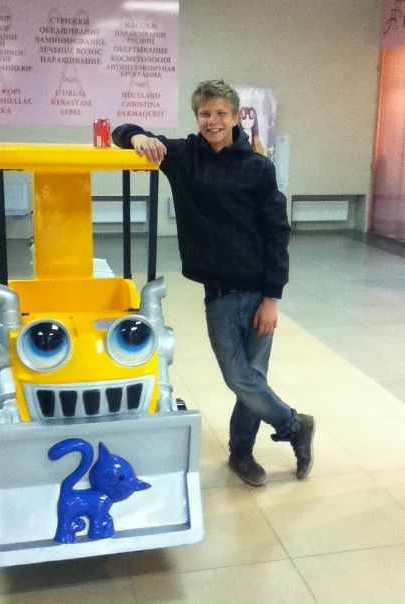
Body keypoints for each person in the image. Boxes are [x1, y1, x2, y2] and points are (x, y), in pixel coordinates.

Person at [112, 79, 315, 487]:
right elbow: (120, 131)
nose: (213, 121)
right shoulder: (184, 156)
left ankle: (241, 451)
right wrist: (137, 137)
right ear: (196, 117)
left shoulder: (258, 167)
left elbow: (277, 233)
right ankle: (294, 424)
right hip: (219, 294)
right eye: (205, 113)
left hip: (258, 291)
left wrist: (272, 298)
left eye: (221, 113)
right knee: (239, 377)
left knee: (250, 379)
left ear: (236, 116)